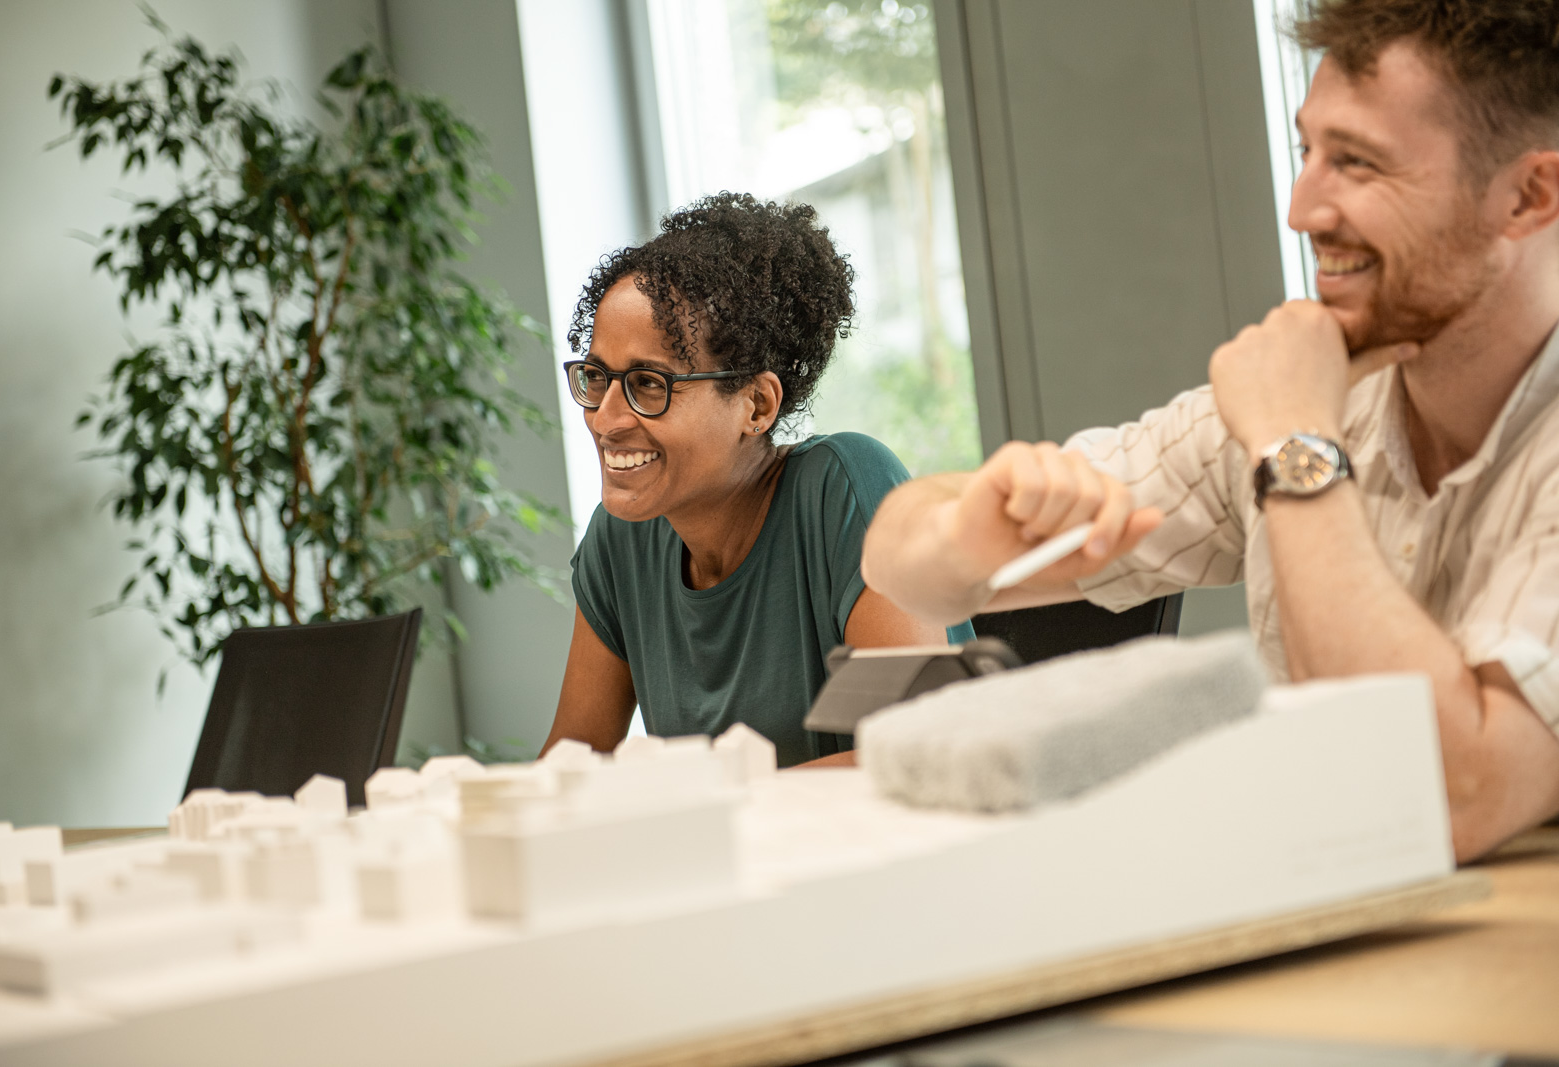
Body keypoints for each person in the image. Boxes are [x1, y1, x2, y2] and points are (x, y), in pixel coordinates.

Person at [861, 0, 1559, 861]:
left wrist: (1295, 447)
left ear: (1529, 195)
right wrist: (964, 541)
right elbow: (900, 556)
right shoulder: (1304, 394)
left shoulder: (1288, 414)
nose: (1304, 207)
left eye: (1360, 164)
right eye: (1309, 151)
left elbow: (1448, 795)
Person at [543, 193, 973, 768]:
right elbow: (568, 770)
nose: (606, 418)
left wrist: (687, 805)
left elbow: (913, 753)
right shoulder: (621, 539)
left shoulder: (846, 489)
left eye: (649, 384)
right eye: (597, 378)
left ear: (756, 404)